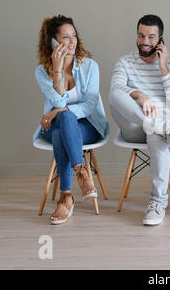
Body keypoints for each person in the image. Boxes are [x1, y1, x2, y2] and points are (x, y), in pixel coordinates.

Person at [109, 14, 170, 226]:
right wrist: (140, 96)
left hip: (157, 126)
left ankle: (157, 202)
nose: (145, 41)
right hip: (133, 125)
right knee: (114, 94)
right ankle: (164, 127)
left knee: (155, 132)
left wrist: (164, 68)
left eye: (151, 37)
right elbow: (117, 89)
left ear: (161, 39)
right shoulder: (125, 62)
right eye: (141, 35)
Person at [33, 15, 110, 225]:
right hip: (53, 126)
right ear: (53, 42)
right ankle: (81, 172)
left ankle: (66, 197)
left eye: (74, 35)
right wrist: (57, 71)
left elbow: (90, 105)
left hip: (88, 125)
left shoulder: (89, 66)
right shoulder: (42, 72)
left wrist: (60, 112)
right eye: (65, 37)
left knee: (62, 126)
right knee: (63, 121)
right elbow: (57, 102)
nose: (72, 41)